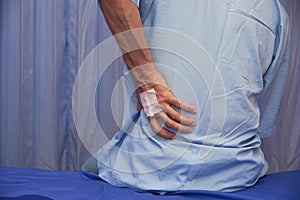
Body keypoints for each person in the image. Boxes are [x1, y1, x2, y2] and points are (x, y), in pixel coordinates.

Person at [83, 0, 290, 193]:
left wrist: (145, 77)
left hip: (147, 172)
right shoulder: (277, 15)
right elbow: (260, 119)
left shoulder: (277, 15)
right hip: (236, 176)